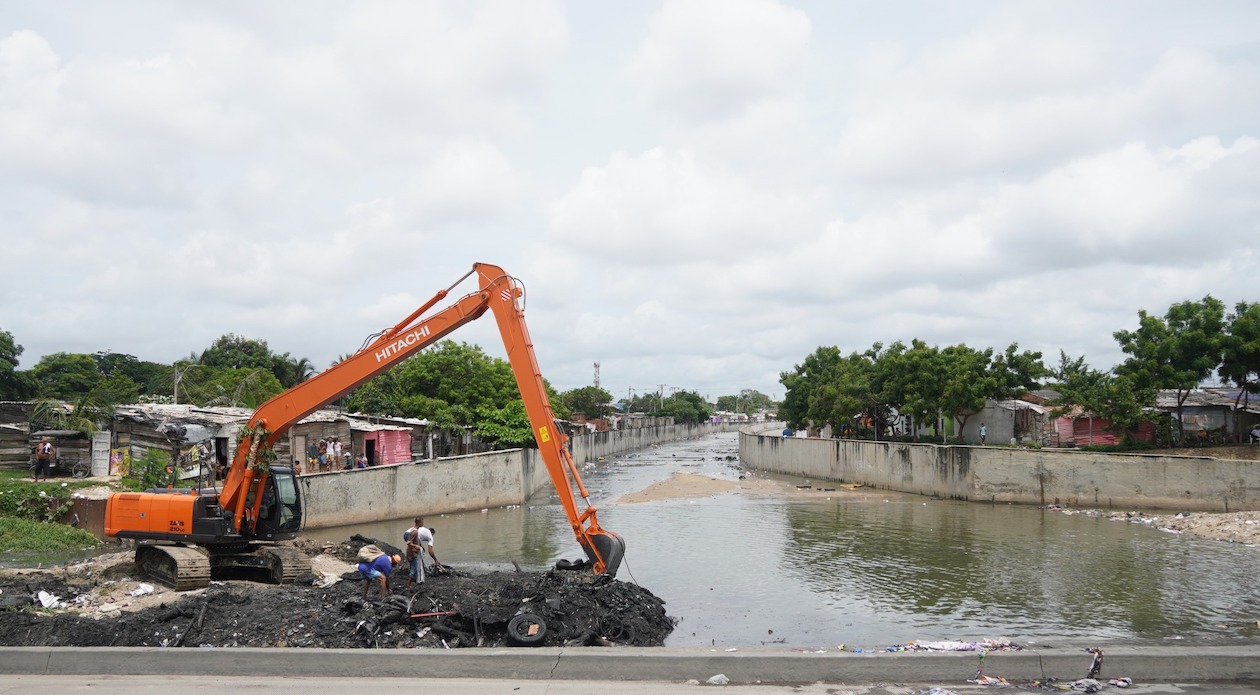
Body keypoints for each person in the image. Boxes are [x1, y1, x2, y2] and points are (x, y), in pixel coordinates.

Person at [404, 516, 442, 589]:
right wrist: (435, 559)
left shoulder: (422, 531)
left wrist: (420, 546)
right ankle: (411, 580)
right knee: (416, 557)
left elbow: (417, 540)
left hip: (406, 533)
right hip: (410, 535)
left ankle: (413, 567)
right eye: (422, 521)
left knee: (415, 552)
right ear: (432, 533)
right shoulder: (430, 536)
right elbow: (430, 550)